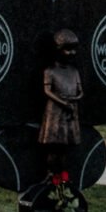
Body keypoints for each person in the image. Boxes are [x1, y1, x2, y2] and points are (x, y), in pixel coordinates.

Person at [39, 28, 83, 167]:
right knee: (54, 147)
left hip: (70, 111)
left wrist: (75, 99)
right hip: (55, 112)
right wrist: (63, 102)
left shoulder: (74, 71)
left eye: (74, 49)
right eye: (68, 49)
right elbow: (47, 91)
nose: (72, 53)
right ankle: (51, 174)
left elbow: (80, 91)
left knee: (65, 148)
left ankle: (63, 179)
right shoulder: (50, 71)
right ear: (58, 50)